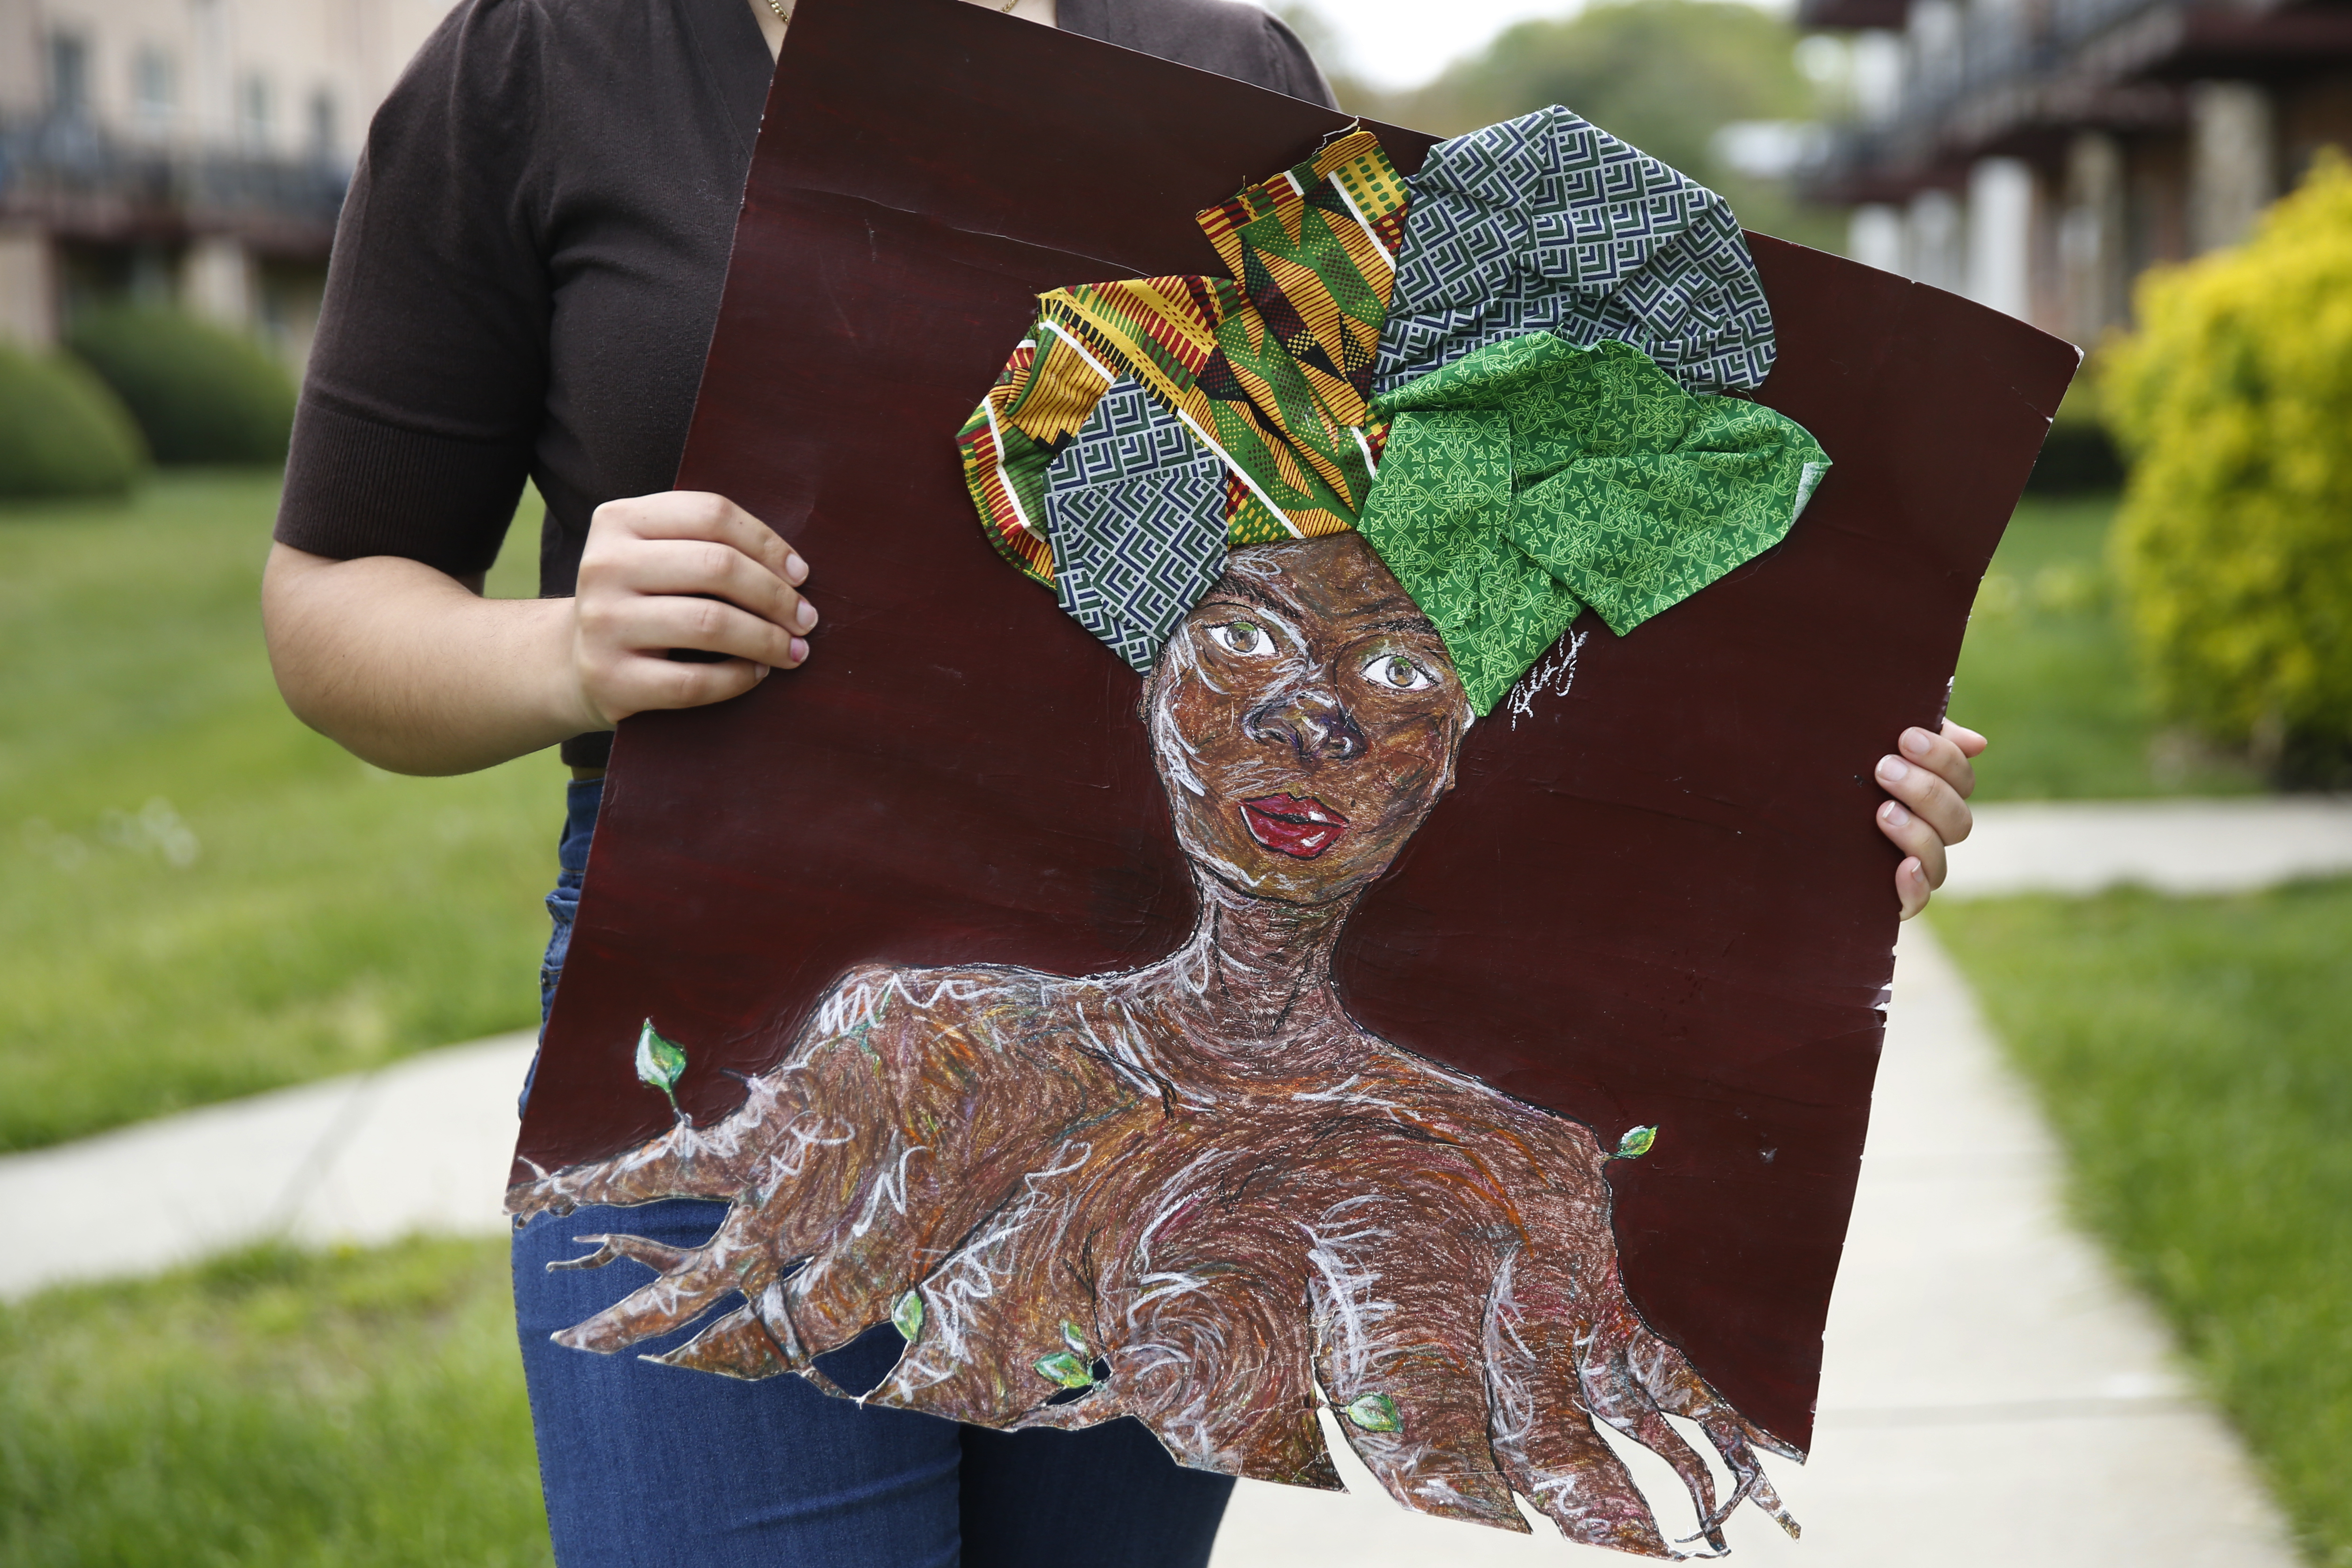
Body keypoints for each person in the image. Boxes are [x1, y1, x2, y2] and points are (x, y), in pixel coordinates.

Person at [259, 0, 1986, 1562]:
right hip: (728, 1011)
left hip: (1213, 1131)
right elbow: (331, 601)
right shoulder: (551, 59)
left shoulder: (1221, 78)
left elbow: (1436, 607)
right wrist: (564, 649)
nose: (1321, 717)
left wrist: (1819, 838)